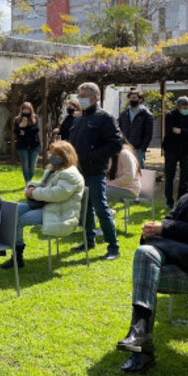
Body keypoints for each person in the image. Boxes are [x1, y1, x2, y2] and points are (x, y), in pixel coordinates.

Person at [116, 155, 188, 374]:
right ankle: (140, 335)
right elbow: (170, 221)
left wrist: (166, 228)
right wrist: (154, 229)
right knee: (145, 253)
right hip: (178, 261)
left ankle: (140, 343)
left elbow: (176, 227)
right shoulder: (187, 199)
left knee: (147, 276)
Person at [0, 141, 84, 269]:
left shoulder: (70, 174)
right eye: (50, 152)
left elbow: (57, 194)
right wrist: (32, 186)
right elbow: (44, 185)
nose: (50, 155)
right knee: (12, 210)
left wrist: (34, 193)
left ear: (64, 156)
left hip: (61, 213)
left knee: (19, 220)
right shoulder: (54, 170)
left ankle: (17, 258)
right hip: (47, 206)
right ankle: (8, 251)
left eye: (54, 154)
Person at [69, 82, 123, 261]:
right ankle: (88, 240)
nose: (80, 98)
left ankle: (113, 246)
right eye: (79, 95)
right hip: (79, 171)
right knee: (85, 208)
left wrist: (94, 155)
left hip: (95, 170)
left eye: (84, 95)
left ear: (95, 97)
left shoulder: (105, 117)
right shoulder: (78, 119)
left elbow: (116, 143)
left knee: (101, 207)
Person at [162, 96, 188, 209]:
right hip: (171, 149)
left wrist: (181, 131)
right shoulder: (170, 115)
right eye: (184, 107)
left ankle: (181, 201)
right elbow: (170, 131)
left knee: (185, 177)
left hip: (186, 150)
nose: (186, 109)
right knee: (169, 175)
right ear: (178, 107)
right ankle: (169, 201)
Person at [118, 88, 154, 169]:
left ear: (140, 99)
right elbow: (119, 130)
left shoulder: (147, 115)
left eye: (134, 98)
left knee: (139, 172)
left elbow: (148, 133)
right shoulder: (124, 114)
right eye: (130, 98)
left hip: (138, 149)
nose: (131, 100)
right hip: (125, 147)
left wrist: (142, 148)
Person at [14, 101, 41, 185]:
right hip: (22, 145)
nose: (26, 111)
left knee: (32, 166)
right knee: (25, 165)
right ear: (22, 110)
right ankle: (28, 183)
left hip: (34, 145)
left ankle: (30, 182)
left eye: (27, 109)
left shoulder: (35, 118)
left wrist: (25, 132)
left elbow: (36, 129)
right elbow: (15, 131)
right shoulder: (17, 119)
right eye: (24, 109)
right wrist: (20, 127)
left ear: (31, 109)